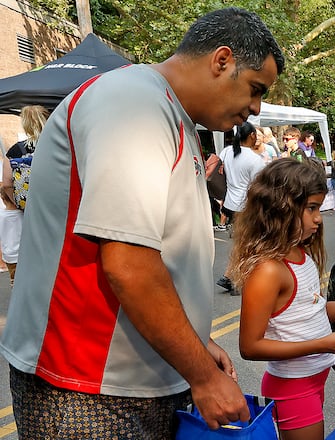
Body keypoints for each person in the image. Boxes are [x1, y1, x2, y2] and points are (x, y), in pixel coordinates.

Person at [0, 8, 285, 437]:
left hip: (127, 382)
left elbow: (164, 253)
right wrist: (204, 377)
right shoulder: (133, 103)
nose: (255, 108)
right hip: (87, 387)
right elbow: (129, 262)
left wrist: (193, 340)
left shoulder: (170, 114)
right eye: (255, 88)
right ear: (221, 60)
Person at [231, 159, 335, 440]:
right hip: (292, 387)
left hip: (312, 379)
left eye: (319, 207)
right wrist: (324, 344)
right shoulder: (269, 270)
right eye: (311, 208)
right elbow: (250, 346)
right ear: (280, 207)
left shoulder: (301, 255)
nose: (319, 218)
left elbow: (314, 312)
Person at [0, 105, 49, 287]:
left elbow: (6, 183)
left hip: (23, 212)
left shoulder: (15, 151)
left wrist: (20, 204)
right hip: (54, 210)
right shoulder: (61, 146)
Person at [216, 122, 266, 294]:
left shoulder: (227, 151)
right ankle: (232, 277)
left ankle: (231, 276)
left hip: (230, 204)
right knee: (247, 244)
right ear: (252, 135)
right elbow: (259, 188)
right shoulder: (255, 160)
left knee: (241, 242)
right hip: (246, 207)